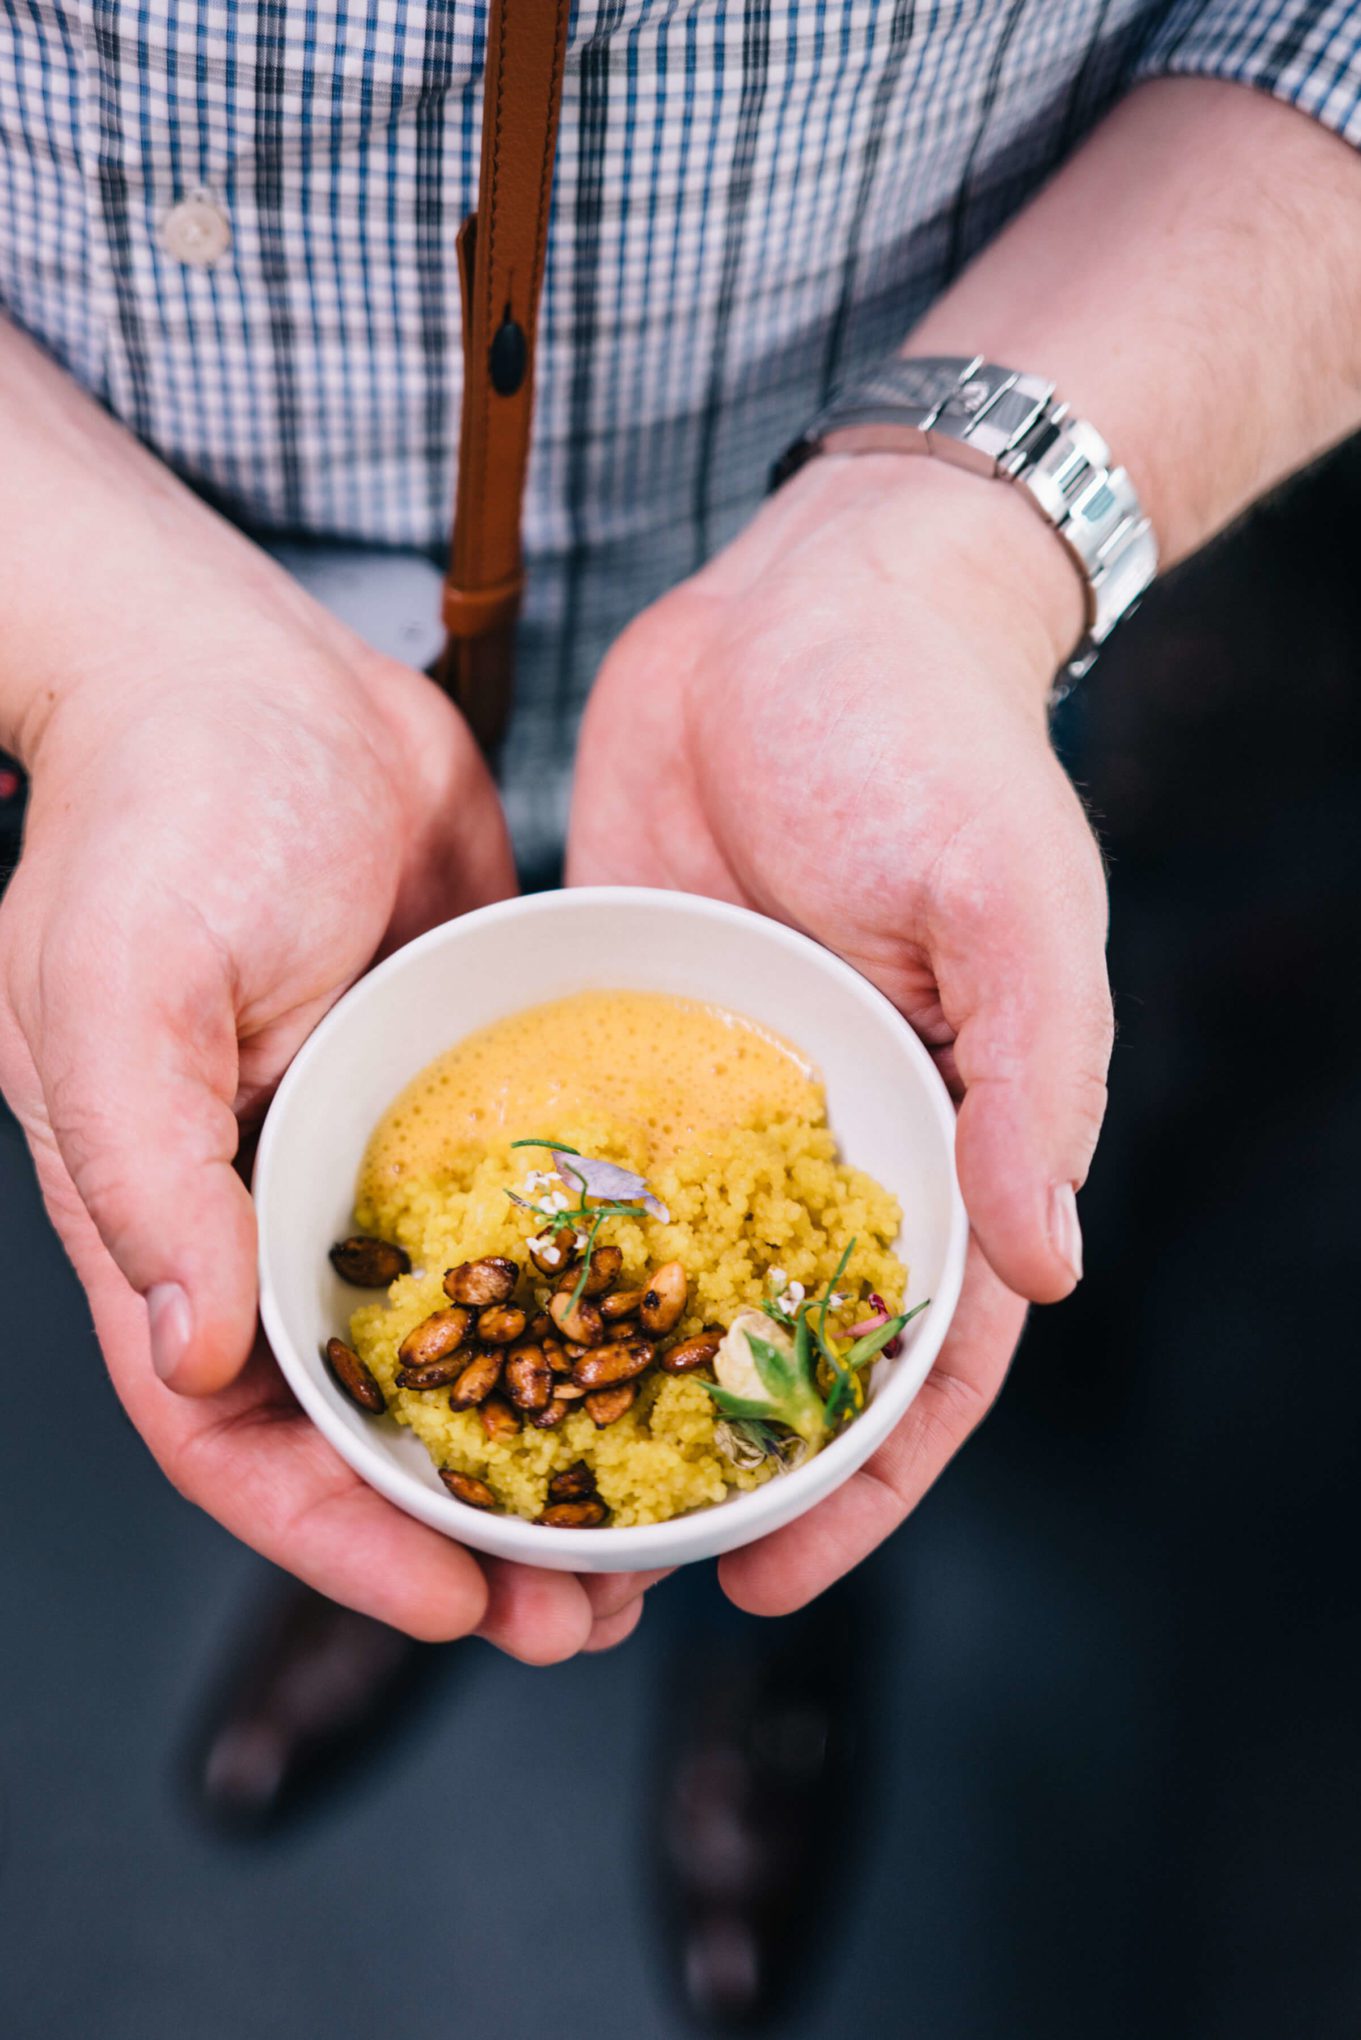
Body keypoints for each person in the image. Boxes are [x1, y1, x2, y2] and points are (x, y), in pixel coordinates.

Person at [0, 2, 1358, 1668]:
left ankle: (775, 1660)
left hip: (898, 574)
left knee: (873, 1405)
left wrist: (963, 551)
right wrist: (98, 635)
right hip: (160, 613)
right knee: (319, 1382)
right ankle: (417, 1519)